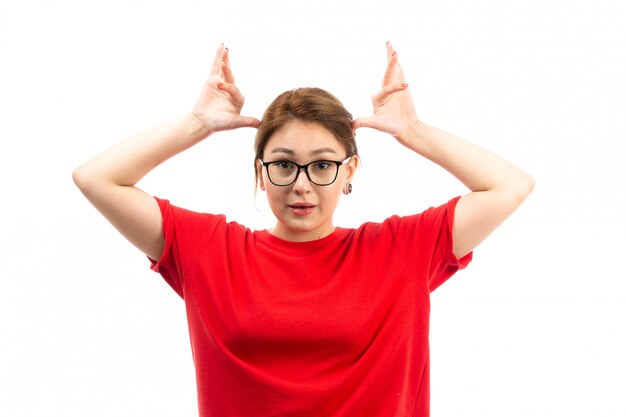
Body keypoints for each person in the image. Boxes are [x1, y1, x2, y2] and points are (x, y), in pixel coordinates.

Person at [73, 42, 534, 417]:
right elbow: (96, 178)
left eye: (322, 165)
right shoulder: (210, 251)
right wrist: (197, 124)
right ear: (261, 171)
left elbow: (510, 186)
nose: (302, 185)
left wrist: (412, 130)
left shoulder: (400, 250)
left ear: (350, 170)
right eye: (284, 165)